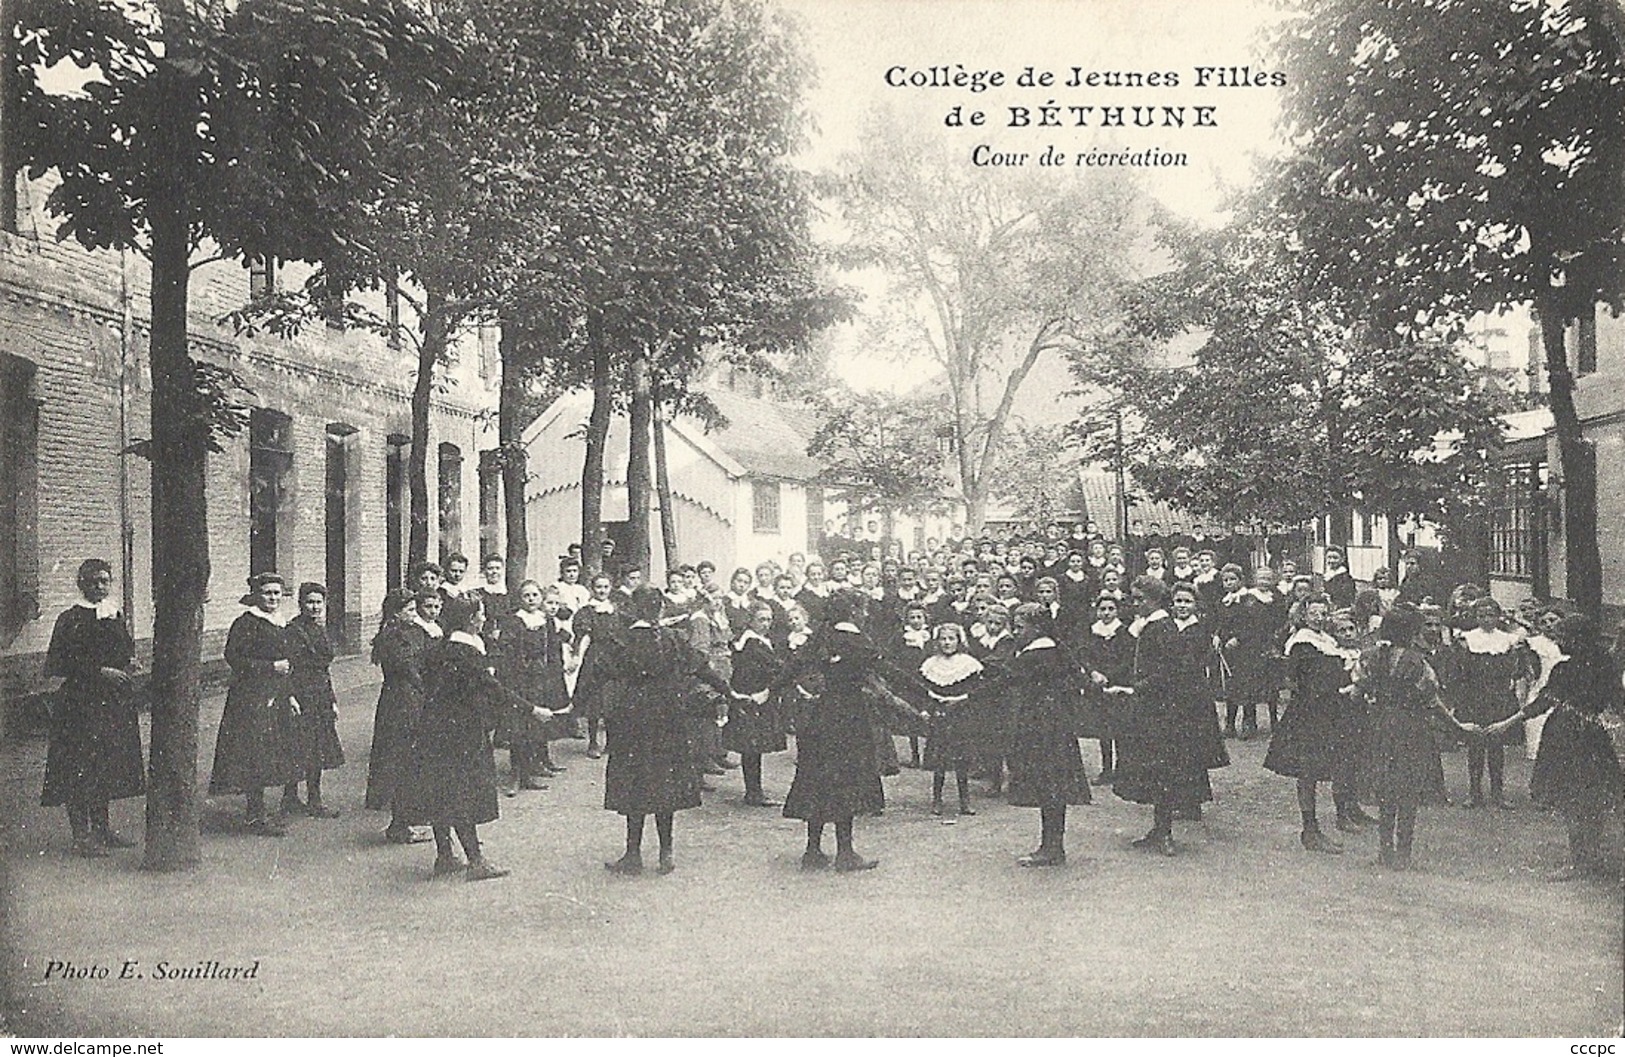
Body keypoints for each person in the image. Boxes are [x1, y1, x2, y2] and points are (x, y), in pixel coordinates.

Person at [396, 596, 550, 881]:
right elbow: (493, 689)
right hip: (462, 732)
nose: (484, 619)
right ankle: (476, 861)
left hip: (434, 727)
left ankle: (445, 856)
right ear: (470, 620)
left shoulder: (440, 647)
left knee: (441, 790)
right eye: (481, 615)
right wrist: (532, 710)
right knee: (463, 793)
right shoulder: (467, 653)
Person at [782, 592, 923, 871]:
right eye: (863, 610)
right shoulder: (857, 640)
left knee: (817, 780)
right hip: (850, 718)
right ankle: (846, 853)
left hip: (820, 716)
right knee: (846, 783)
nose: (865, 614)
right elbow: (888, 671)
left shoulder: (820, 637)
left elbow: (793, 667)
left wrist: (768, 690)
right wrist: (926, 692)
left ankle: (812, 851)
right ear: (854, 612)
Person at [598, 587, 732, 875]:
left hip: (632, 719)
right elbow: (702, 668)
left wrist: (573, 705)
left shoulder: (622, 639)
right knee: (664, 782)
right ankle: (665, 852)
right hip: (668, 718)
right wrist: (728, 691)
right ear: (659, 608)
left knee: (635, 783)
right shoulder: (672, 638)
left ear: (634, 608)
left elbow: (598, 673)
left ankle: (633, 855)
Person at [1488, 614, 1623, 881]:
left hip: (1565, 736)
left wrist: (1506, 723)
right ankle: (1590, 858)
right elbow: (1619, 703)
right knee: (1592, 799)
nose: (1558, 642)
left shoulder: (1565, 669)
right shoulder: (1606, 665)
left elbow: (1542, 703)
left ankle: (1581, 862)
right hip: (1593, 737)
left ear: (1577, 639)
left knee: (1572, 799)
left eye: (1562, 637)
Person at [1351, 604, 1479, 870]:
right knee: (1408, 790)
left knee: (1385, 789)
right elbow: (1432, 700)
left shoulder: (1369, 657)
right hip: (1411, 727)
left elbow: (1357, 690)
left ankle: (1384, 850)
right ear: (1412, 632)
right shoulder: (1417, 662)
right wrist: (1458, 726)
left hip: (1380, 725)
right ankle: (1403, 853)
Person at [1113, 579, 1228, 856]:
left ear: (1154, 599)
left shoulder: (1163, 628)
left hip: (1169, 708)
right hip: (1156, 704)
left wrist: (1137, 688)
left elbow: (1171, 672)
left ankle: (1164, 831)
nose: (1135, 604)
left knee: (1166, 767)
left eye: (1140, 599)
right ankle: (1159, 828)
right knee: (1158, 768)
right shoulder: (1154, 625)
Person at [41, 559, 142, 857]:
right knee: (79, 767)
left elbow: (124, 648)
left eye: (104, 581)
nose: (99, 586)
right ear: (81, 584)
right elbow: (58, 663)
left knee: (104, 766)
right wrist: (99, 671)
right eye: (94, 581)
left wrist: (129, 661)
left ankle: (102, 829)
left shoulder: (114, 614)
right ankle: (81, 836)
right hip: (79, 704)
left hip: (111, 702)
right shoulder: (70, 619)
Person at [1262, 595, 1360, 853]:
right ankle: (1310, 829)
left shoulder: (1327, 640)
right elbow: (1299, 679)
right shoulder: (1302, 643)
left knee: (1328, 766)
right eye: (1313, 613)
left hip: (1329, 711)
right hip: (1310, 713)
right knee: (1308, 772)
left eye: (1323, 613)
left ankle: (1338, 816)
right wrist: (1338, 686)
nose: (1318, 618)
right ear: (1303, 615)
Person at [209, 573, 302, 836]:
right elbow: (234, 657)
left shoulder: (280, 622)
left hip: (276, 695)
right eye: (267, 593)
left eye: (277, 593)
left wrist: (290, 694)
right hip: (250, 697)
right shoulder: (246, 623)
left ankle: (265, 810)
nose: (273, 598)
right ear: (256, 595)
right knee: (254, 753)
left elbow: (287, 663)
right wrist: (270, 667)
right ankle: (255, 814)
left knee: (272, 751)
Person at [1003, 604, 1092, 866]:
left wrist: (964, 695)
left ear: (1036, 628)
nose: (1015, 632)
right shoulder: (1055, 648)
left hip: (1043, 728)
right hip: (1055, 725)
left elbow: (1003, 678)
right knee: (1053, 787)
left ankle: (1051, 848)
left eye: (1019, 627)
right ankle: (1053, 846)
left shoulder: (1036, 654)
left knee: (1048, 786)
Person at [366, 589, 438, 844]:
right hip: (401, 703)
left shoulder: (412, 631)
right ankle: (399, 826)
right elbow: (409, 669)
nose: (414, 614)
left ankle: (407, 820)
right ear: (396, 613)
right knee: (401, 762)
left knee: (410, 762)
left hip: (411, 699)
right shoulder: (392, 637)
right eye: (409, 610)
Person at [1448, 598, 1532, 809]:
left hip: (1499, 698)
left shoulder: (1507, 640)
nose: (1486, 619)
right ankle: (1474, 793)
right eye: (1482, 615)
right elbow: (1460, 672)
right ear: (1476, 617)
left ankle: (1497, 793)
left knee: (1496, 746)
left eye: (1491, 615)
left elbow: (1516, 670)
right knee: (1475, 746)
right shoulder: (1467, 639)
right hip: (1474, 697)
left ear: (1498, 617)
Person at [281, 583, 345, 819]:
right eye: (310, 602)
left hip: (319, 695)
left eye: (319, 602)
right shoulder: (293, 630)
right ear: (301, 604)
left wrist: (332, 700)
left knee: (317, 748)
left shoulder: (321, 629)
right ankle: (290, 797)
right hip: (300, 695)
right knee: (297, 747)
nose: (315, 607)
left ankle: (314, 799)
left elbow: (324, 670)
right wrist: (289, 696)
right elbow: (288, 667)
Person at [911, 623, 986, 817]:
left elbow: (976, 691)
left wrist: (962, 702)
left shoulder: (968, 664)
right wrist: (926, 709)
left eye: (951, 639)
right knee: (940, 760)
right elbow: (925, 692)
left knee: (961, 760)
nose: (947, 642)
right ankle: (937, 799)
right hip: (940, 715)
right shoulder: (930, 664)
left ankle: (964, 800)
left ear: (959, 641)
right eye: (943, 639)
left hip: (960, 715)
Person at [725, 601, 789, 807]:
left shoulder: (756, 641)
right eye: (761, 619)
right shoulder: (752, 643)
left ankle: (754, 790)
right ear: (750, 620)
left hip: (754, 697)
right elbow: (773, 668)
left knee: (752, 747)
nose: (766, 623)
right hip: (753, 698)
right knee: (752, 747)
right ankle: (753, 792)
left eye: (769, 619)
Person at [1081, 593, 1133, 785]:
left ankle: (1122, 770)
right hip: (1098, 686)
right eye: (1102, 609)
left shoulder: (1124, 632)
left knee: (1119, 729)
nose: (1106, 613)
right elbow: (1084, 654)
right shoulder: (1092, 631)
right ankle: (1106, 769)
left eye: (1111, 609)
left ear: (1117, 611)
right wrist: (1093, 672)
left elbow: (1128, 659)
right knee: (1103, 730)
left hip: (1118, 685)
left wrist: (1109, 676)